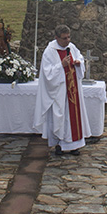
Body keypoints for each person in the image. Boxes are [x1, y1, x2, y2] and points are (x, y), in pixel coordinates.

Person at [33, 25, 88, 155]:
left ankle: (75, 145)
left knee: (74, 118)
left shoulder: (71, 47)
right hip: (59, 93)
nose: (67, 40)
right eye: (64, 38)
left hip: (73, 89)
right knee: (60, 118)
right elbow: (47, 74)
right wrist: (61, 65)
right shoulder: (50, 51)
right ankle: (60, 144)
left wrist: (79, 62)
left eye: (69, 37)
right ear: (56, 38)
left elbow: (79, 56)